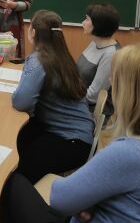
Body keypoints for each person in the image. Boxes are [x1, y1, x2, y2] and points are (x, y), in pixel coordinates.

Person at [3, 43, 140, 223]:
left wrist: (90, 202)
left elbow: (60, 199)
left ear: (130, 94)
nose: (110, 80)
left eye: (115, 79)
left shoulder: (130, 154)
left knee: (13, 183)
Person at [11, 10, 94, 184]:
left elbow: (21, 102)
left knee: (15, 175)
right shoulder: (62, 56)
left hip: (69, 142)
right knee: (22, 138)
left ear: (33, 32)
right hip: (80, 134)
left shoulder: (38, 59)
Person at [76, 3, 120, 117]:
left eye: (87, 19)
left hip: (92, 111)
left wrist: (66, 99)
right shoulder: (95, 42)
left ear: (98, 24)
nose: (83, 22)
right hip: (80, 101)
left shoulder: (111, 54)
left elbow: (93, 96)